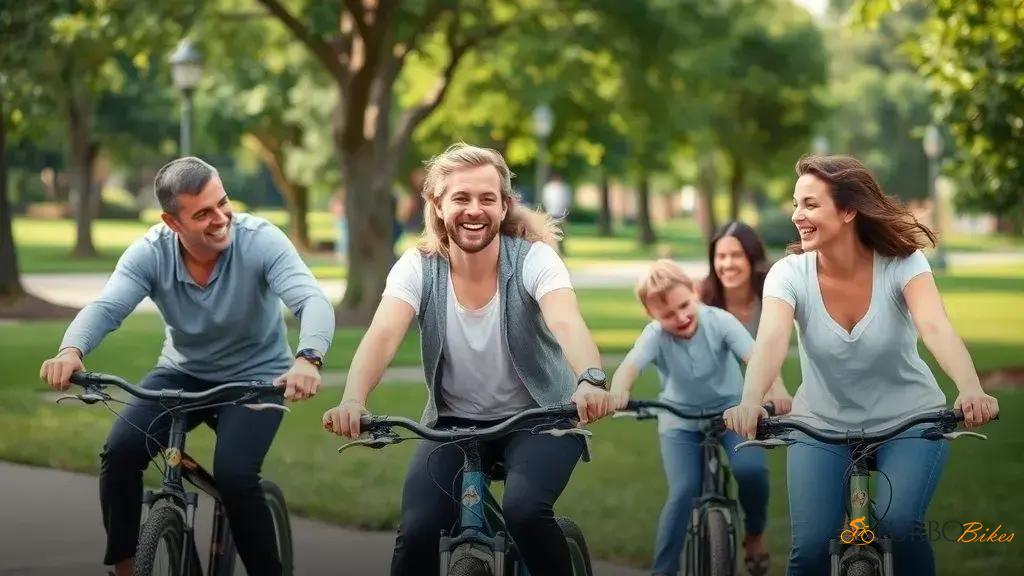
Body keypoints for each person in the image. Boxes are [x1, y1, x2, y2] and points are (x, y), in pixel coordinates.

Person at [322, 143, 616, 576]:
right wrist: (352, 399)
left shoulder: (534, 260)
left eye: (487, 198)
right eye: (461, 197)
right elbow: (382, 335)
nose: (474, 210)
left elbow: (567, 321)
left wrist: (590, 379)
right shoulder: (418, 267)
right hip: (452, 425)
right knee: (419, 532)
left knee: (525, 513)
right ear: (437, 205)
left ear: (504, 206)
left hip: (541, 420)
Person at [39, 157, 334, 576]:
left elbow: (311, 300)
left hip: (257, 377)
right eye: (202, 213)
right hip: (181, 373)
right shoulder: (151, 252)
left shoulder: (260, 240)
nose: (221, 219)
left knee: (235, 478)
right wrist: (71, 350)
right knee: (120, 453)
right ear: (172, 222)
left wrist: (308, 358)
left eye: (223, 203)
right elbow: (107, 307)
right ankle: (126, 567)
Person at [725, 154, 1000, 575]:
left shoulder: (903, 263)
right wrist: (750, 400)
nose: (797, 215)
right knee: (810, 549)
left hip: (909, 421)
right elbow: (771, 341)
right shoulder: (788, 274)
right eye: (796, 204)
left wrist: (970, 387)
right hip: (820, 425)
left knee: (898, 524)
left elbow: (935, 327)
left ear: (849, 210)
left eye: (811, 204)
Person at [610, 260, 790, 576]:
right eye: (667, 315)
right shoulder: (654, 335)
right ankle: (662, 571)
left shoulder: (719, 321)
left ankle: (755, 535)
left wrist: (777, 390)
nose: (681, 317)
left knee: (751, 472)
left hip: (731, 414)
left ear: (694, 291)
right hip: (679, 421)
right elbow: (629, 367)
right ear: (651, 314)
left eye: (684, 305)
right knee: (683, 491)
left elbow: (757, 358)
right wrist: (618, 392)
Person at [700, 221, 771, 339]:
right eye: (721, 256)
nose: (728, 264)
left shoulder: (771, 296)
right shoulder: (702, 302)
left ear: (753, 257)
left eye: (737, 255)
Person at [541, 173, 572, 254]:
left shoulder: (565, 188)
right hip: (551, 213)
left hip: (561, 214)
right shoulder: (548, 188)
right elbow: (545, 201)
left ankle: (561, 249)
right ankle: (553, 249)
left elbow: (567, 202)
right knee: (552, 233)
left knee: (561, 233)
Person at [329, 187, 348, 262]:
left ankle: (342, 253)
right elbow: (332, 207)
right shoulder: (338, 199)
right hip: (341, 219)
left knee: (343, 237)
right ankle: (341, 253)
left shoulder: (338, 199)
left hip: (342, 218)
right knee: (343, 237)